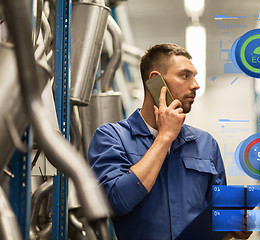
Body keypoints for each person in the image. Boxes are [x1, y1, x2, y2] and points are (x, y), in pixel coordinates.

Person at [88, 43, 251, 240]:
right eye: (185, 75)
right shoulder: (112, 137)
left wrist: (233, 228)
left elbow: (216, 222)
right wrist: (164, 137)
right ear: (156, 81)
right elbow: (116, 202)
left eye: (194, 76)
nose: (195, 85)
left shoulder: (206, 144)